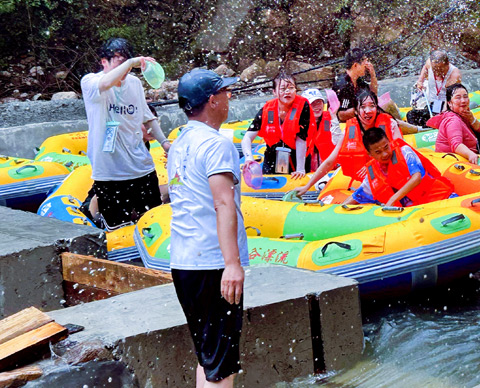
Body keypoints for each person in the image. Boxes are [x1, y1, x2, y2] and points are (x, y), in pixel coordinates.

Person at [167, 68, 248, 388]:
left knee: (209, 358)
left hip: (184, 262)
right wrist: (232, 263)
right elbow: (223, 204)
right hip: (213, 264)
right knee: (223, 367)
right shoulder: (217, 145)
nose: (229, 98)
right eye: (225, 93)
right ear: (212, 101)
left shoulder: (179, 143)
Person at [80, 37, 171, 228]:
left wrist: (164, 143)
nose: (126, 69)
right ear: (103, 61)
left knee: (154, 223)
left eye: (128, 63)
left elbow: (148, 117)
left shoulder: (134, 84)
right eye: (119, 61)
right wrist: (131, 62)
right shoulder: (90, 82)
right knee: (117, 229)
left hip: (141, 166)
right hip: (110, 172)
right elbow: (105, 84)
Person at [293, 89, 403, 196]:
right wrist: (307, 186)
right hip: (358, 183)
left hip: (388, 178)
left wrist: (373, 166)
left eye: (372, 106)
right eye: (363, 107)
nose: (368, 111)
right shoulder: (349, 129)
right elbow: (330, 161)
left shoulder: (390, 124)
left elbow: (400, 155)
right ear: (355, 110)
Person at [343, 128, 454, 206]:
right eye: (378, 152)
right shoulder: (373, 175)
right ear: (370, 154)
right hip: (415, 212)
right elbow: (356, 197)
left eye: (386, 147)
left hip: (437, 197)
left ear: (389, 142)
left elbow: (416, 178)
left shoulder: (404, 152)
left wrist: (392, 200)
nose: (385, 154)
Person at [241, 71, 315, 176]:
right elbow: (247, 137)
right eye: (283, 89)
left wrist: (300, 169)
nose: (287, 92)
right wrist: (249, 158)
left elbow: (301, 138)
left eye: (291, 88)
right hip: (272, 157)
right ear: (274, 92)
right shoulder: (267, 109)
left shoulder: (303, 106)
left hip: (296, 157)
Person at [425, 83, 480, 164]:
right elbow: (456, 145)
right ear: (449, 103)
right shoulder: (452, 120)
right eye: (458, 98)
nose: (463, 101)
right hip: (451, 162)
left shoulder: (464, 114)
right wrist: (470, 155)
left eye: (465, 97)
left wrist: (472, 119)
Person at [408, 50, 462, 126]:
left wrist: (442, 114)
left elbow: (450, 98)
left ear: (447, 65)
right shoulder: (430, 62)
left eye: (440, 68)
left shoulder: (454, 75)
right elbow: (425, 67)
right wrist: (420, 81)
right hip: (433, 103)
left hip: (446, 105)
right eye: (434, 68)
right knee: (411, 115)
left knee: (439, 117)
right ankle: (423, 128)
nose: (436, 71)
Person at [301, 88, 342, 172]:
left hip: (330, 169)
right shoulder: (300, 123)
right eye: (312, 103)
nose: (317, 106)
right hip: (309, 170)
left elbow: (339, 142)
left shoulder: (330, 118)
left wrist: (334, 118)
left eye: (319, 102)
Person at [332, 48, 379, 122]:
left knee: (387, 106)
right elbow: (341, 115)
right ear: (355, 65)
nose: (366, 67)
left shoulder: (358, 81)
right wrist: (362, 108)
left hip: (360, 117)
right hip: (346, 123)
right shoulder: (343, 85)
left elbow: (373, 95)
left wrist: (372, 75)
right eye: (364, 64)